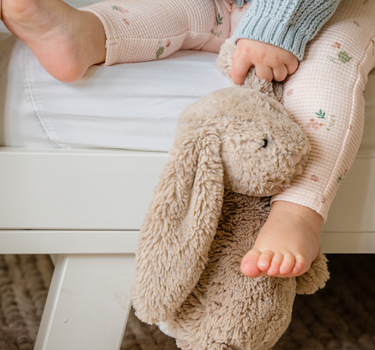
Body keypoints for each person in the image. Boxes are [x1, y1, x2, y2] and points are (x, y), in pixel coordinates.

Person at [1, 0, 375, 279]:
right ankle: (84, 35)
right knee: (171, 10)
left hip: (334, 11)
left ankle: (299, 211)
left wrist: (276, 26)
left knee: (327, 77)